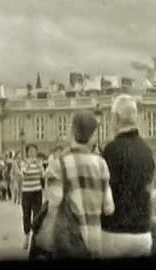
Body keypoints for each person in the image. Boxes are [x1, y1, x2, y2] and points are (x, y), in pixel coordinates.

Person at [40, 111, 115, 258]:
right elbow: (109, 208)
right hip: (95, 241)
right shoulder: (101, 164)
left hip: (68, 241)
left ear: (72, 131)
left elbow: (53, 204)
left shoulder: (58, 164)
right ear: (93, 135)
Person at [100, 95, 155, 258]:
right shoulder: (147, 150)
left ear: (115, 118)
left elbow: (104, 191)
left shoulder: (111, 150)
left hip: (116, 231)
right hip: (143, 232)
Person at [21, 144, 45, 250]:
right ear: (27, 152)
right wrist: (29, 164)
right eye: (30, 151)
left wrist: (39, 166)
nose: (32, 153)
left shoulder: (39, 163)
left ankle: (35, 239)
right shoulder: (24, 162)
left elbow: (42, 175)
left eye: (34, 151)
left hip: (37, 191)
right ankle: (26, 237)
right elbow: (23, 173)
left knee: (37, 214)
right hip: (26, 191)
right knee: (26, 214)